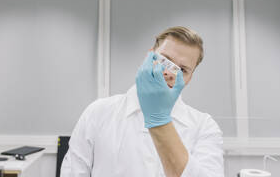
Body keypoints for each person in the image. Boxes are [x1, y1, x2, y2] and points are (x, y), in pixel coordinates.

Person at [61, 26, 224, 177]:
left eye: (182, 70)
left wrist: (160, 119)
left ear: (190, 78)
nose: (169, 72)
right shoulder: (98, 112)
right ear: (149, 55)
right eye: (164, 59)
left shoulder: (204, 127)